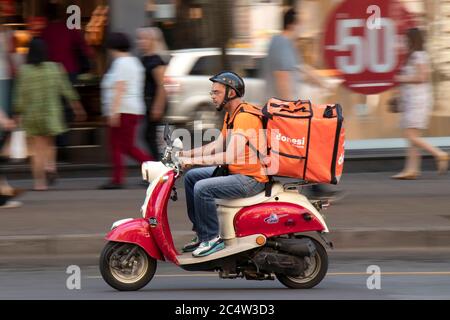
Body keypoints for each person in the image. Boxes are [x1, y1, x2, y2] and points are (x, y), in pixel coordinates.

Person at [178, 71, 268, 257]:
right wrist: (185, 154)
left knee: (202, 188)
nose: (212, 96)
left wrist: (192, 161)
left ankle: (212, 238)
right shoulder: (231, 115)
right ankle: (202, 234)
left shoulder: (245, 117)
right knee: (191, 178)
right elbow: (216, 146)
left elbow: (228, 156)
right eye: (212, 92)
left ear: (231, 93)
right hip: (236, 172)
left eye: (216, 92)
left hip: (250, 179)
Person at [263, 7, 339, 200]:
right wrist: (291, 109)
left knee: (297, 150)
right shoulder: (281, 44)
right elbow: (282, 76)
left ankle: (315, 188)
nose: (302, 29)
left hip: (285, 109)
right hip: (286, 110)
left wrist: (322, 82)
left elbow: (300, 69)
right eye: (301, 25)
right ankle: (314, 189)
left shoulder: (285, 44)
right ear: (293, 24)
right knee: (305, 147)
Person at [13, 38, 86, 191]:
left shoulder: (24, 71)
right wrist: (78, 108)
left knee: (36, 150)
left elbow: (20, 96)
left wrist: (17, 115)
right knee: (50, 144)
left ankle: (39, 184)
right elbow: (66, 90)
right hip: (51, 114)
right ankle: (50, 166)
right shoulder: (55, 68)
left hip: (32, 116)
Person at [392, 28, 449, 179]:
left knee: (410, 136)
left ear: (412, 40)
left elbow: (422, 77)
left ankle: (440, 154)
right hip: (412, 100)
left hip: (418, 101)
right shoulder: (415, 56)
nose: (404, 42)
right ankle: (411, 170)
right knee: (412, 136)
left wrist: (401, 79)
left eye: (406, 39)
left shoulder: (418, 55)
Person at [99, 32, 153, 189]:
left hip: (123, 110)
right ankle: (121, 177)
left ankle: (119, 178)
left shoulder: (121, 63)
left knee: (120, 146)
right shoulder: (134, 62)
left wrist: (114, 112)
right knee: (124, 146)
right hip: (130, 109)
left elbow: (119, 88)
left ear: (111, 47)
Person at [137, 27, 168, 161]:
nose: (141, 42)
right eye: (139, 39)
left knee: (149, 137)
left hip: (154, 102)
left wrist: (158, 106)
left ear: (153, 41)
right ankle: (157, 168)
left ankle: (158, 168)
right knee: (148, 136)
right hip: (148, 101)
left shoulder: (155, 61)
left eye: (145, 39)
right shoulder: (144, 59)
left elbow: (161, 86)